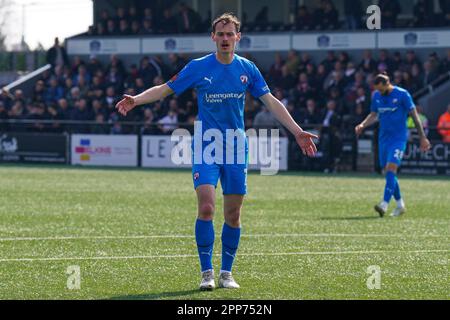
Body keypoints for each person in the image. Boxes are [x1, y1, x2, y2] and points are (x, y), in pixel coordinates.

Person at [115, 13, 317, 291]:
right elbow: (165, 89)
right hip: (206, 146)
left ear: (238, 37)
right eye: (220, 34)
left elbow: (270, 102)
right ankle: (206, 273)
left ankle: (226, 273)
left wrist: (297, 131)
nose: (225, 39)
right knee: (207, 207)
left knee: (233, 214)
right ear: (213, 37)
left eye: (229, 34)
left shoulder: (248, 68)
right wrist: (136, 100)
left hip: (236, 148)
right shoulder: (198, 67)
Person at [355, 73, 430, 217]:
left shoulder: (402, 95)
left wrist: (422, 137)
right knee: (388, 172)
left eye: (381, 89)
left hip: (398, 139)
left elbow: (414, 116)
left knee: (391, 168)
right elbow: (373, 114)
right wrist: (362, 125)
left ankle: (384, 204)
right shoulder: (376, 95)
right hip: (384, 139)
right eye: (377, 90)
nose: (380, 92)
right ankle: (400, 204)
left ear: (387, 83)